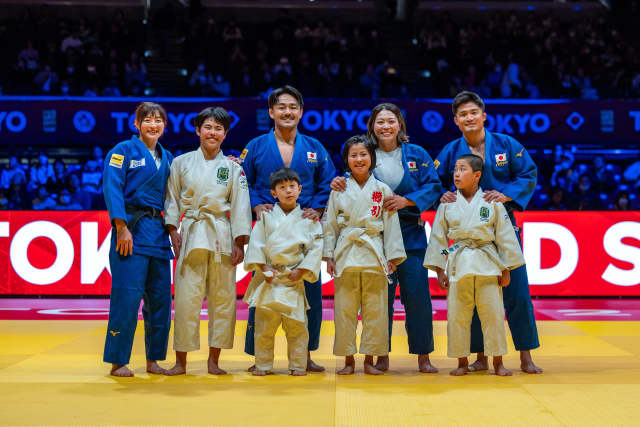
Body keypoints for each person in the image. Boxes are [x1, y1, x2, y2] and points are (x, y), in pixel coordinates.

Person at [330, 103, 442, 373]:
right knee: (380, 301)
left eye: (391, 121)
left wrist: (408, 200)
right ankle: (381, 355)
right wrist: (339, 181)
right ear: (372, 126)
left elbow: (434, 186)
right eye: (380, 122)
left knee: (417, 297)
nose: (385, 126)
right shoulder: (365, 152)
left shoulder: (417, 154)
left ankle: (423, 355)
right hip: (376, 240)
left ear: (400, 124)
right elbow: (353, 178)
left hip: (411, 234)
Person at [435, 91, 542, 374]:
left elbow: (528, 173)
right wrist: (443, 195)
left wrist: (506, 195)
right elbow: (434, 183)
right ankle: (481, 357)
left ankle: (526, 355)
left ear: (484, 116)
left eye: (474, 113)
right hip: (469, 235)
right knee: (473, 294)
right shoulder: (450, 152)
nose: (469, 118)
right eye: (463, 114)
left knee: (517, 293)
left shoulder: (507, 144)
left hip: (504, 227)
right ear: (456, 121)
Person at [240, 86, 336, 372]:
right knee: (263, 294)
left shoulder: (315, 147)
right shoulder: (256, 146)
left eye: (293, 107)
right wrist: (256, 204)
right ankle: (259, 357)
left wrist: (317, 209)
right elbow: (243, 181)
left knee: (310, 295)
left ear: (301, 112)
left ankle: (304, 355)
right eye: (281, 107)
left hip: (305, 225)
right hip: (269, 226)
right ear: (271, 112)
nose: (287, 112)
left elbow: (327, 181)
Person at [163, 107, 252, 376]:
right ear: (198, 130)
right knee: (186, 300)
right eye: (208, 127)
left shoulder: (233, 168)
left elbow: (240, 206)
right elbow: (171, 198)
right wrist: (173, 229)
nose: (212, 133)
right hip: (191, 233)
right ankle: (181, 361)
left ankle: (214, 360)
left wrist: (240, 242)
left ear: (225, 134)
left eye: (218, 128)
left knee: (223, 300)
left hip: (221, 235)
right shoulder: (180, 163)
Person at [425, 154, 525, 376]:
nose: (457, 174)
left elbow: (505, 237)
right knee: (457, 316)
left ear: (477, 175)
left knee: (494, 315)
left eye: (462, 169)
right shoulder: (447, 203)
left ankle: (498, 362)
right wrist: (440, 269)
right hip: (458, 261)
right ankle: (462, 362)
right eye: (455, 170)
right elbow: (439, 239)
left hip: (487, 263)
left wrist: (506, 268)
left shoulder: (492, 202)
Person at [102, 102, 174, 377]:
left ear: (164, 126)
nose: (153, 125)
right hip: (131, 230)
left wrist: (172, 229)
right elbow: (112, 187)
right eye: (148, 120)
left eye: (158, 121)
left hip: (157, 233)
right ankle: (118, 361)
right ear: (137, 124)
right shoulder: (122, 151)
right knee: (127, 298)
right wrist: (121, 226)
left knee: (160, 300)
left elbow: (173, 195)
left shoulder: (167, 157)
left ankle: (153, 360)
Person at [323, 135, 406, 375]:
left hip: (374, 252)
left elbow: (391, 225)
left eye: (363, 154)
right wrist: (328, 256)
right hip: (346, 253)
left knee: (375, 311)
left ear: (372, 158)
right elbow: (330, 225)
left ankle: (370, 359)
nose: (358, 159)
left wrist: (392, 256)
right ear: (346, 160)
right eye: (353, 155)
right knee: (344, 310)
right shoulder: (338, 189)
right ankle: (348, 360)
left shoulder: (382, 189)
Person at [243, 168, 323, 376]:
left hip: (293, 279)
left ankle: (298, 365)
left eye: (292, 187)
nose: (288, 191)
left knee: (297, 328)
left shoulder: (308, 219)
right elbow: (256, 243)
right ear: (273, 193)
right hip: (269, 279)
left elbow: (316, 247)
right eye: (282, 187)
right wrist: (263, 267)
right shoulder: (266, 217)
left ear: (300, 189)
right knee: (264, 328)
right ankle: (262, 365)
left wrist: (302, 271)